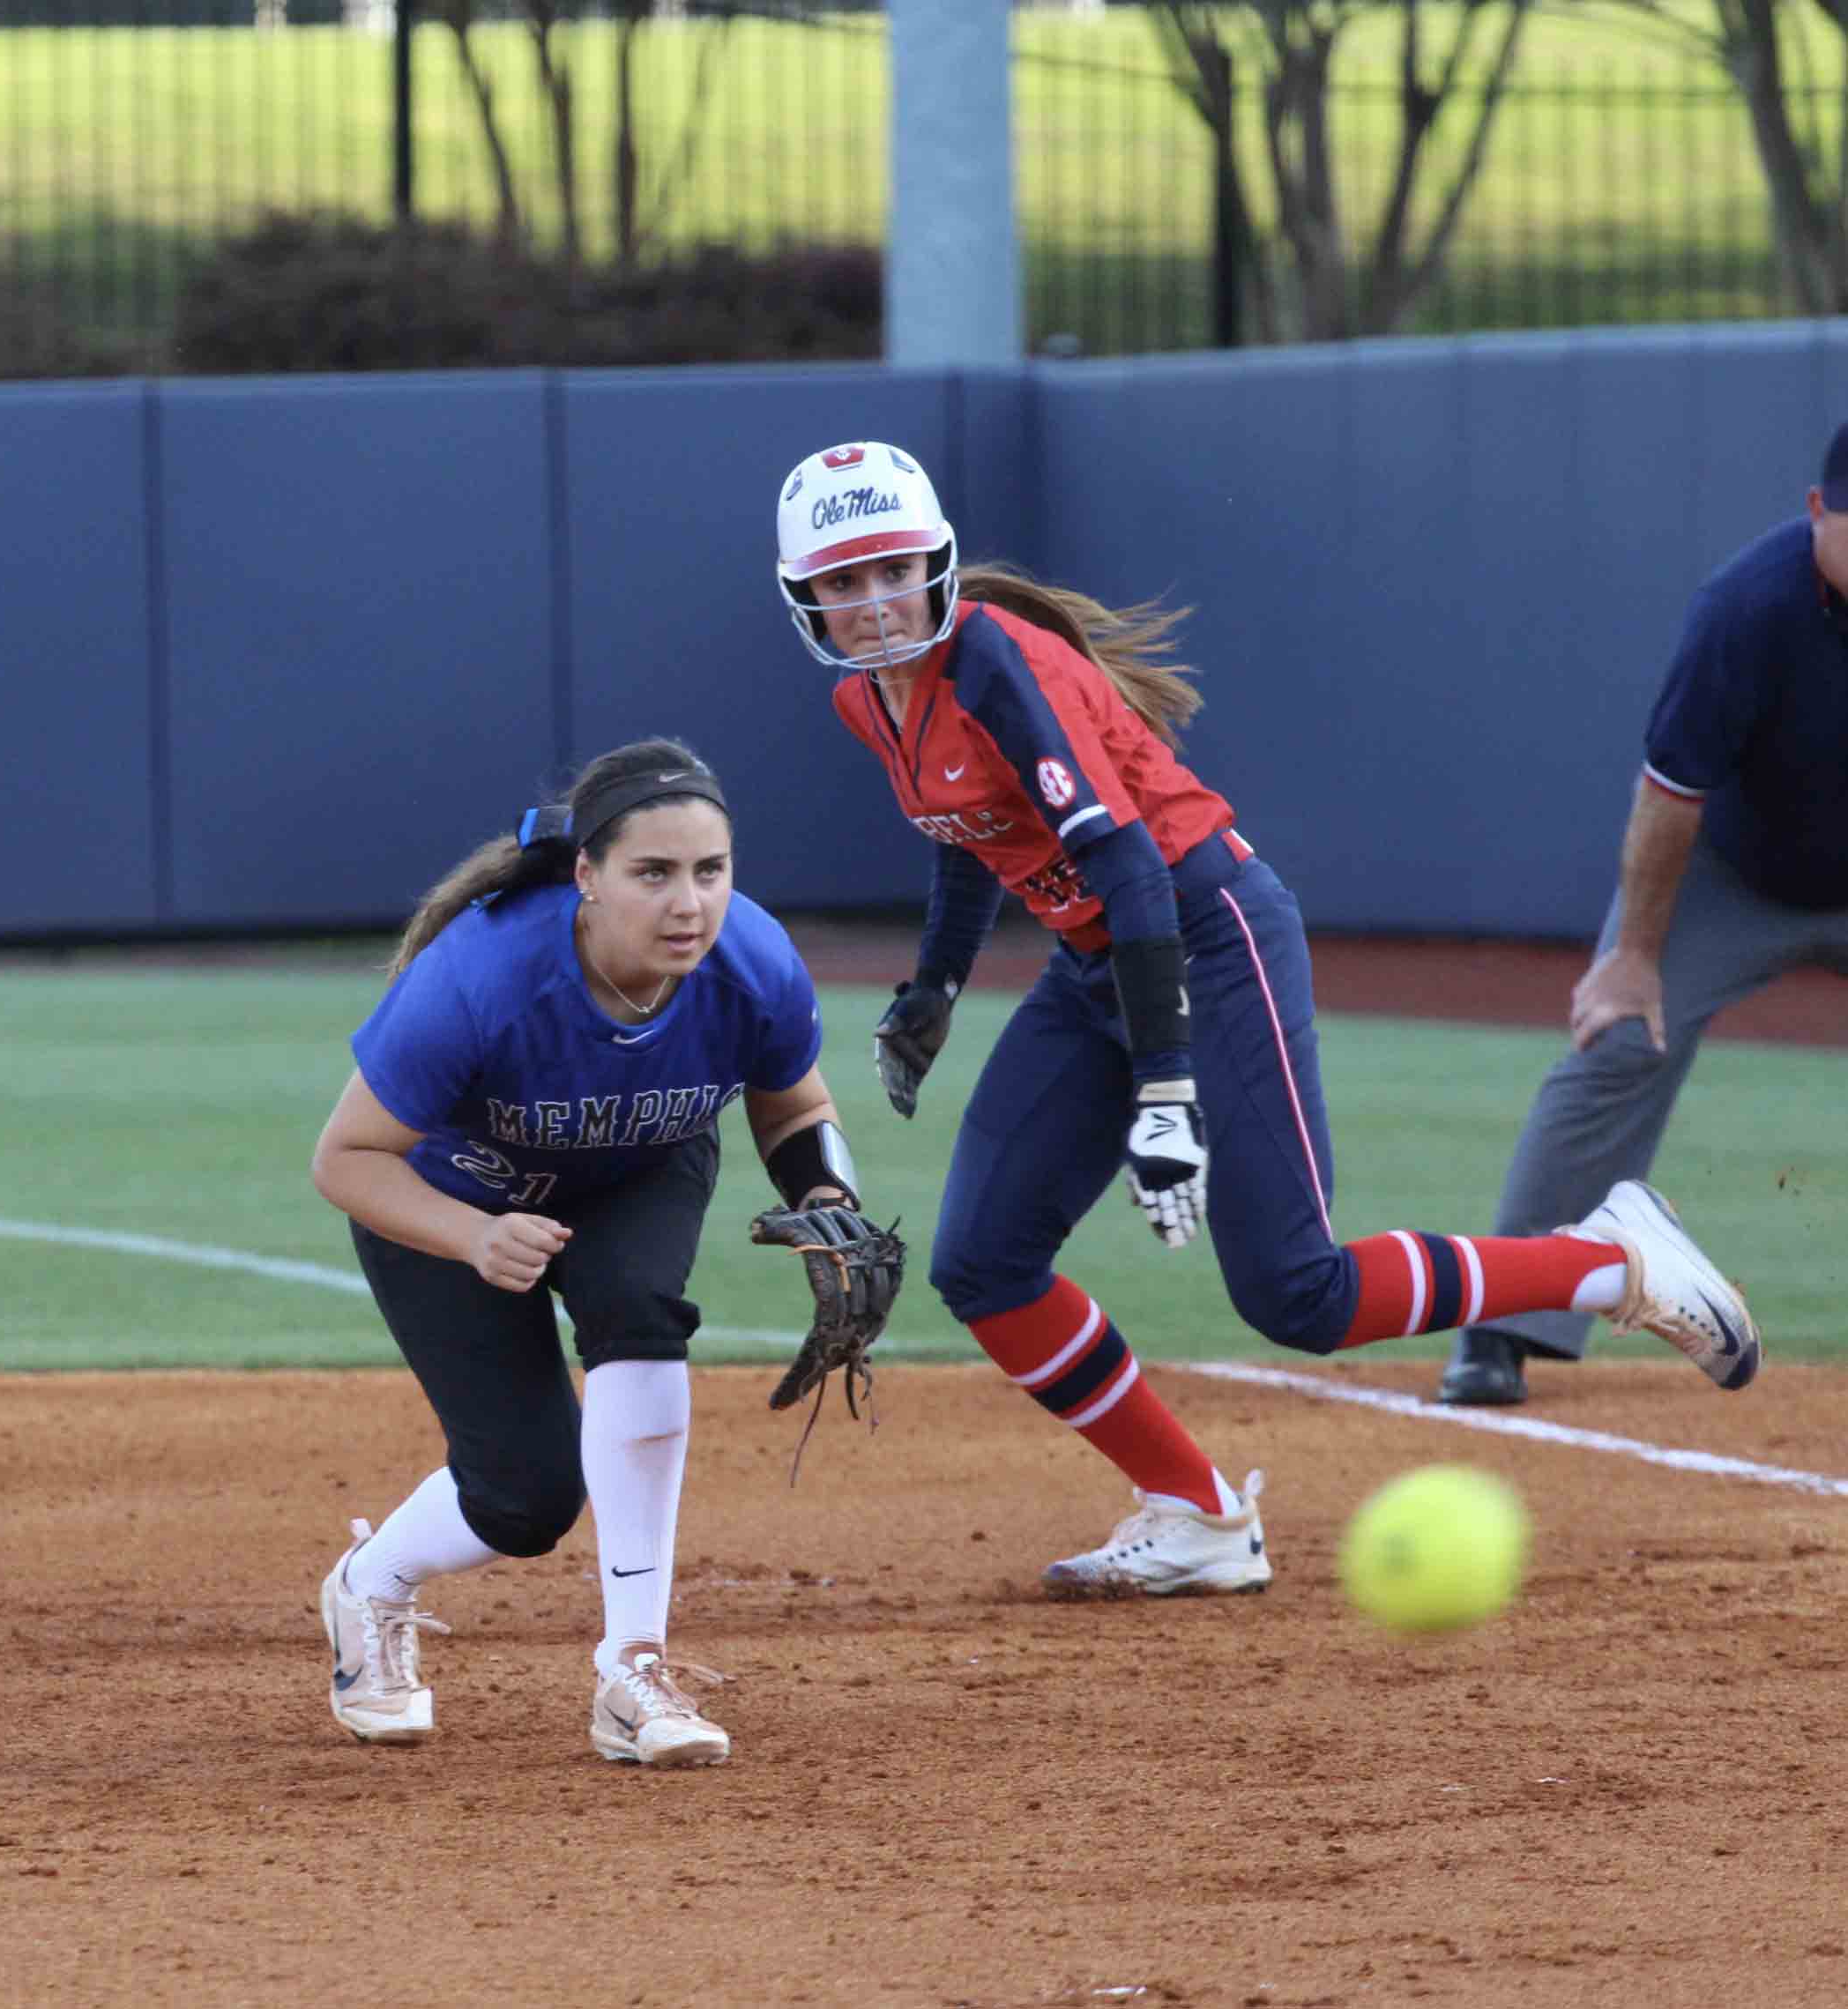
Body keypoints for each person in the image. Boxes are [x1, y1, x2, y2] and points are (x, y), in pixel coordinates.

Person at [772, 439, 1762, 1599]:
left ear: (935, 562)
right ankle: (1195, 1513)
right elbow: (968, 837)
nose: (873, 601)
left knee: (1299, 1292)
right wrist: (933, 989)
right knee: (983, 1262)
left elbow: (1134, 870)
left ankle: (1604, 1258)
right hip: (1101, 958)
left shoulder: (992, 661)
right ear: (806, 600)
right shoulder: (867, 698)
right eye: (842, 581)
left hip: (1204, 930)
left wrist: (1162, 1090)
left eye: (891, 567)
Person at [309, 737, 892, 1767]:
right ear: (585, 874)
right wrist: (474, 1234)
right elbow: (346, 1159)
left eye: (710, 871)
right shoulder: (483, 975)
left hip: (638, 1171)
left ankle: (634, 1669)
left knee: (640, 1315)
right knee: (524, 1500)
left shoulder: (749, 961)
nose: (689, 904)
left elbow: (793, 1103)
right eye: (653, 873)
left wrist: (828, 1198)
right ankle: (373, 1581)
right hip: (450, 1202)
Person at [1438, 423, 1848, 1405]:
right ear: (1814, 514)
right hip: (1733, 871)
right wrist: (1632, 956)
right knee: (1617, 1037)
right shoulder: (1746, 609)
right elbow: (1669, 793)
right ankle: (1502, 1321)